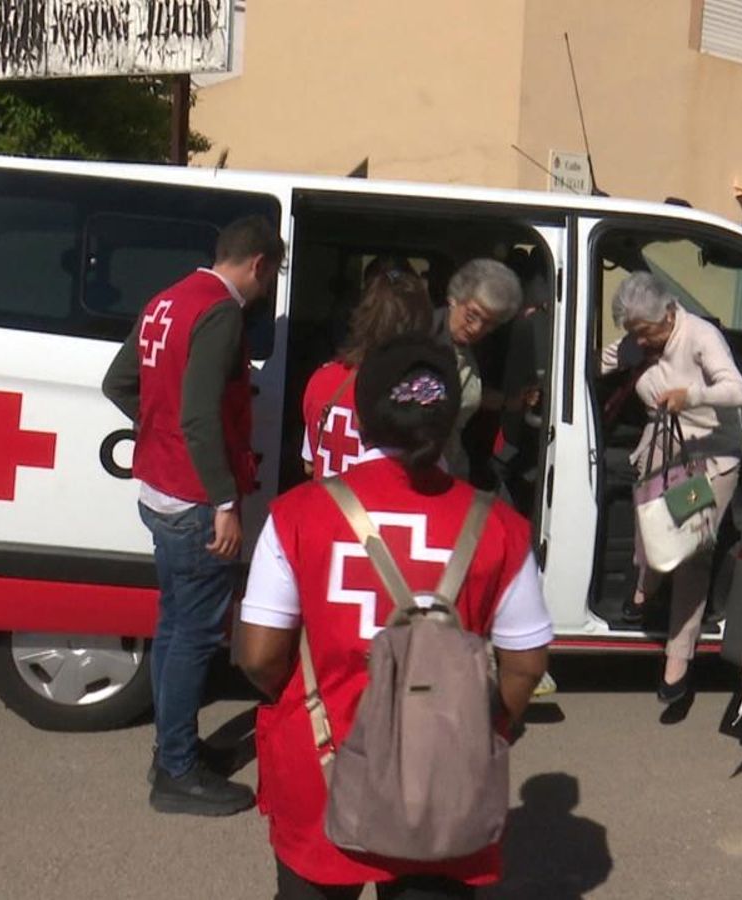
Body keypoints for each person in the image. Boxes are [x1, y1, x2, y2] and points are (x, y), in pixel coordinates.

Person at [236, 334, 553, 899]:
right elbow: (525, 666)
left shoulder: (297, 514)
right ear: (452, 418)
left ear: (362, 415)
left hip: (320, 760)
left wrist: (306, 701)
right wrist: (487, 728)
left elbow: (260, 655)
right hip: (441, 774)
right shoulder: (502, 527)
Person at [100, 215, 286, 817]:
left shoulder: (168, 299)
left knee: (175, 626)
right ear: (259, 264)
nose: (269, 287)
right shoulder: (221, 312)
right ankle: (176, 771)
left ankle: (172, 750)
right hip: (195, 501)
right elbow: (202, 416)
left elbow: (119, 382)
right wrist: (225, 502)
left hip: (159, 490)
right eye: (274, 274)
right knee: (194, 636)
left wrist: (159, 432)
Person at [610, 272, 742, 705]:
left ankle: (678, 657)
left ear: (669, 314)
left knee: (691, 549)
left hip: (707, 459)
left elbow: (739, 391)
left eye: (647, 332)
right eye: (634, 333)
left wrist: (689, 396)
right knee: (651, 523)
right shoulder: (639, 340)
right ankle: (645, 587)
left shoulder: (699, 336)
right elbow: (604, 359)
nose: (641, 342)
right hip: (663, 447)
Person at [302, 267, 433, 478]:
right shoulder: (417, 391)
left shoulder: (322, 379)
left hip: (326, 505)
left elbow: (309, 464)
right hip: (377, 508)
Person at [432, 259, 524, 483]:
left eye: (489, 323)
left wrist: (508, 402)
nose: (477, 329)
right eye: (472, 315)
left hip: (452, 464)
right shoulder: (426, 341)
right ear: (454, 298)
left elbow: (464, 392)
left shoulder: (466, 346)